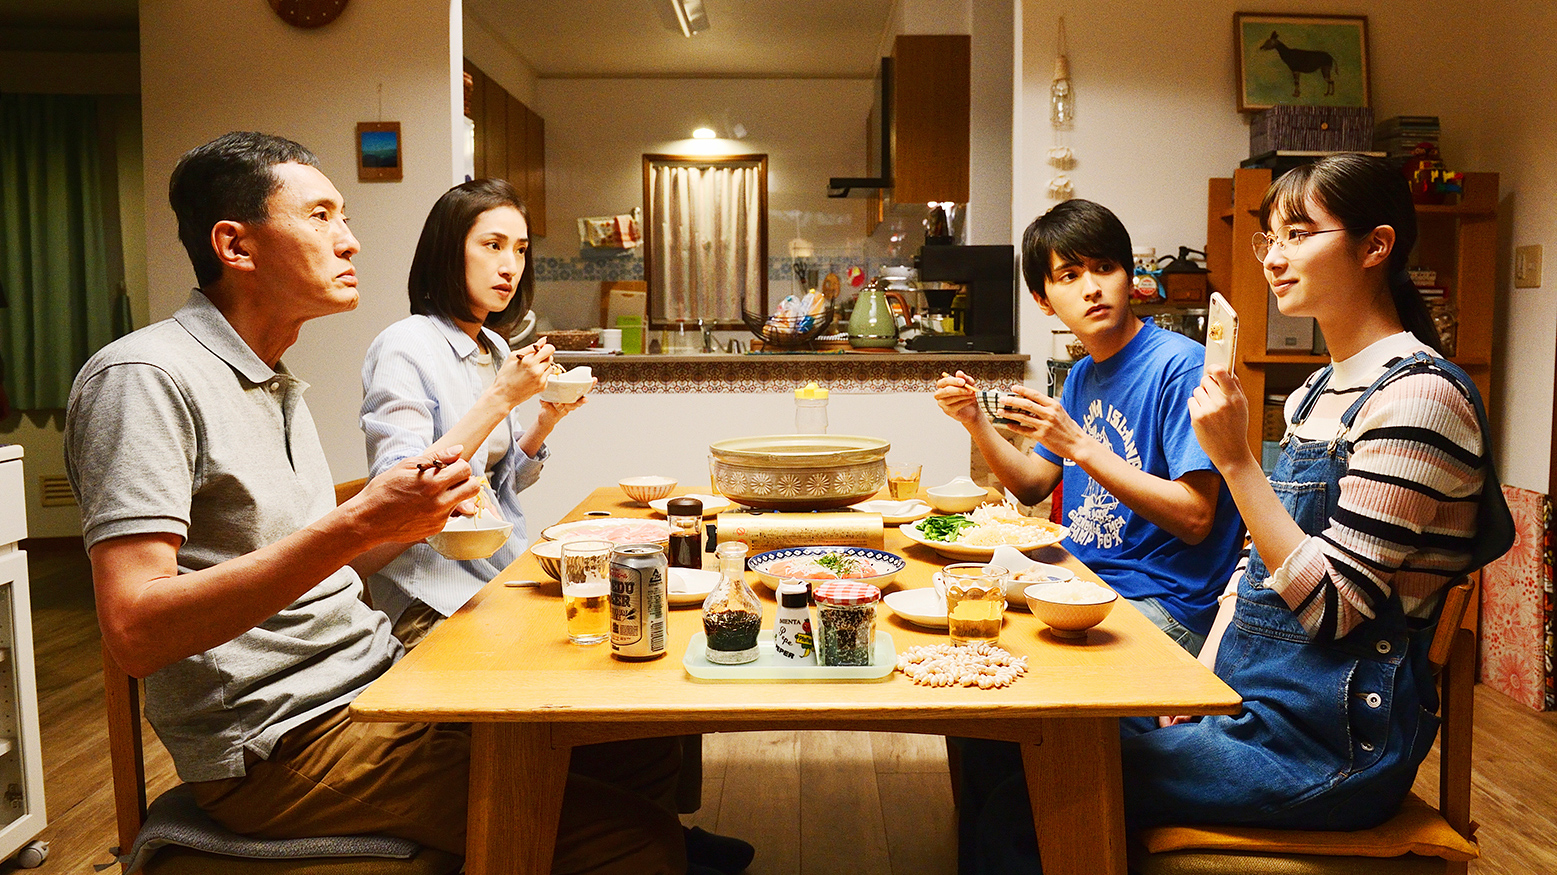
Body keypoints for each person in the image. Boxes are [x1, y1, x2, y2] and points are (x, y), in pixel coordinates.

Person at [63, 132, 711, 874]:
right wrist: (361, 520)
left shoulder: (272, 381)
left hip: (372, 685)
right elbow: (136, 631)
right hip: (279, 739)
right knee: (635, 840)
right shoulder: (145, 377)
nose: (351, 241)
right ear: (234, 245)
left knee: (641, 737)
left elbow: (329, 563)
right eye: (322, 217)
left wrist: (403, 522)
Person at [963, 154, 1514, 874]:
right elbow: (1252, 566)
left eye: (1297, 233)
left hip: (1332, 739)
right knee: (1016, 739)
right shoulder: (1319, 389)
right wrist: (1203, 685)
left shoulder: (1417, 398)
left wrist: (1235, 463)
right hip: (1261, 701)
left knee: (1035, 791)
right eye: (1267, 238)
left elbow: (1335, 609)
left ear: (1374, 246)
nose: (1273, 257)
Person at [934, 199, 1243, 653]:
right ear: (1043, 300)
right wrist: (975, 421)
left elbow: (1196, 518)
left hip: (1164, 603)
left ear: (1130, 278)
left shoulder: (1180, 366)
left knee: (1011, 674)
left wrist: (1079, 444)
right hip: (1082, 582)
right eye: (1069, 276)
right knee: (967, 638)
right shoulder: (1081, 375)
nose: (1092, 288)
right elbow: (1032, 486)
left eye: (1104, 267)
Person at [360, 178, 583, 648]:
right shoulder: (405, 345)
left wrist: (546, 418)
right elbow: (402, 492)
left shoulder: (496, 347)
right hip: (431, 597)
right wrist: (501, 398)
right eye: (492, 245)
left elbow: (499, 484)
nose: (510, 266)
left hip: (495, 574)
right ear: (448, 252)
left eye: (520, 250)